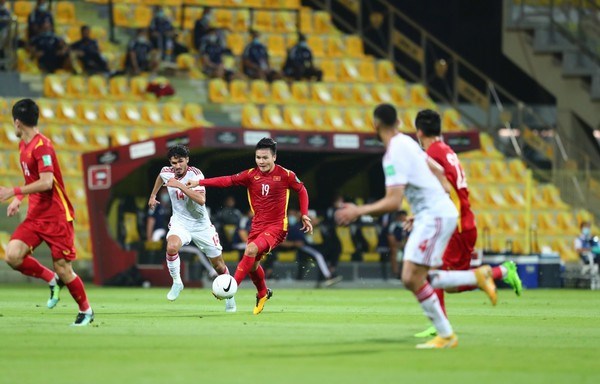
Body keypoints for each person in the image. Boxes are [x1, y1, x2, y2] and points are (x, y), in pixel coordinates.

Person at [336, 103, 498, 349]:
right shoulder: (408, 143)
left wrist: (358, 210)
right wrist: (441, 188)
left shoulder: (392, 155)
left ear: (375, 125)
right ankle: (475, 280)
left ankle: (447, 331)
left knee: (412, 277)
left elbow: (393, 202)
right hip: (436, 214)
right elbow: (437, 169)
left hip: (434, 216)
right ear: (398, 123)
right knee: (416, 277)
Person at [413, 109, 523, 338]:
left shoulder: (432, 154)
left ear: (419, 132)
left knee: (435, 273)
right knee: (448, 283)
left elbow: (441, 189)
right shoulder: (446, 150)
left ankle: (440, 323)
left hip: (456, 225)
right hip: (463, 221)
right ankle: (502, 272)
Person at [186, 137, 313, 314]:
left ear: (274, 157)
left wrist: (304, 214)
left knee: (251, 250)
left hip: (277, 227)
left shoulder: (286, 175)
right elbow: (227, 180)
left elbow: (301, 190)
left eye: (265, 158)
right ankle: (262, 293)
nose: (261, 161)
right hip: (257, 226)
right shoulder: (250, 175)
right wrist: (200, 182)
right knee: (252, 265)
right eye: (258, 157)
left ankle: (230, 288)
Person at [0, 99, 94, 326]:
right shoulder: (24, 145)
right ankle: (51, 280)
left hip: (56, 217)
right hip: (35, 216)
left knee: (64, 267)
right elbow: (32, 178)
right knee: (12, 255)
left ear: (17, 122)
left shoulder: (43, 147)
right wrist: (20, 199)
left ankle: (86, 311)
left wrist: (14, 191)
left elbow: (46, 182)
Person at [148, 144, 236, 312]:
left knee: (219, 266)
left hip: (201, 226)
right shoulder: (167, 172)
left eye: (181, 161)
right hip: (180, 223)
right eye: (174, 162)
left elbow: (201, 200)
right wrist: (153, 195)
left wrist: (180, 186)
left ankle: (230, 298)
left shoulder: (195, 175)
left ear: (187, 160)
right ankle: (177, 282)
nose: (177, 166)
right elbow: (161, 177)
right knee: (171, 247)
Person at [387, 210, 409, 279]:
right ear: (398, 217)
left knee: (409, 252)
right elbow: (391, 239)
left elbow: (410, 238)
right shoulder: (393, 226)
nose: (403, 218)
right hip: (396, 245)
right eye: (402, 217)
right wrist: (400, 244)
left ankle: (405, 273)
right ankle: (396, 273)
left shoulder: (409, 225)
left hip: (406, 246)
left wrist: (406, 245)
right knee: (394, 251)